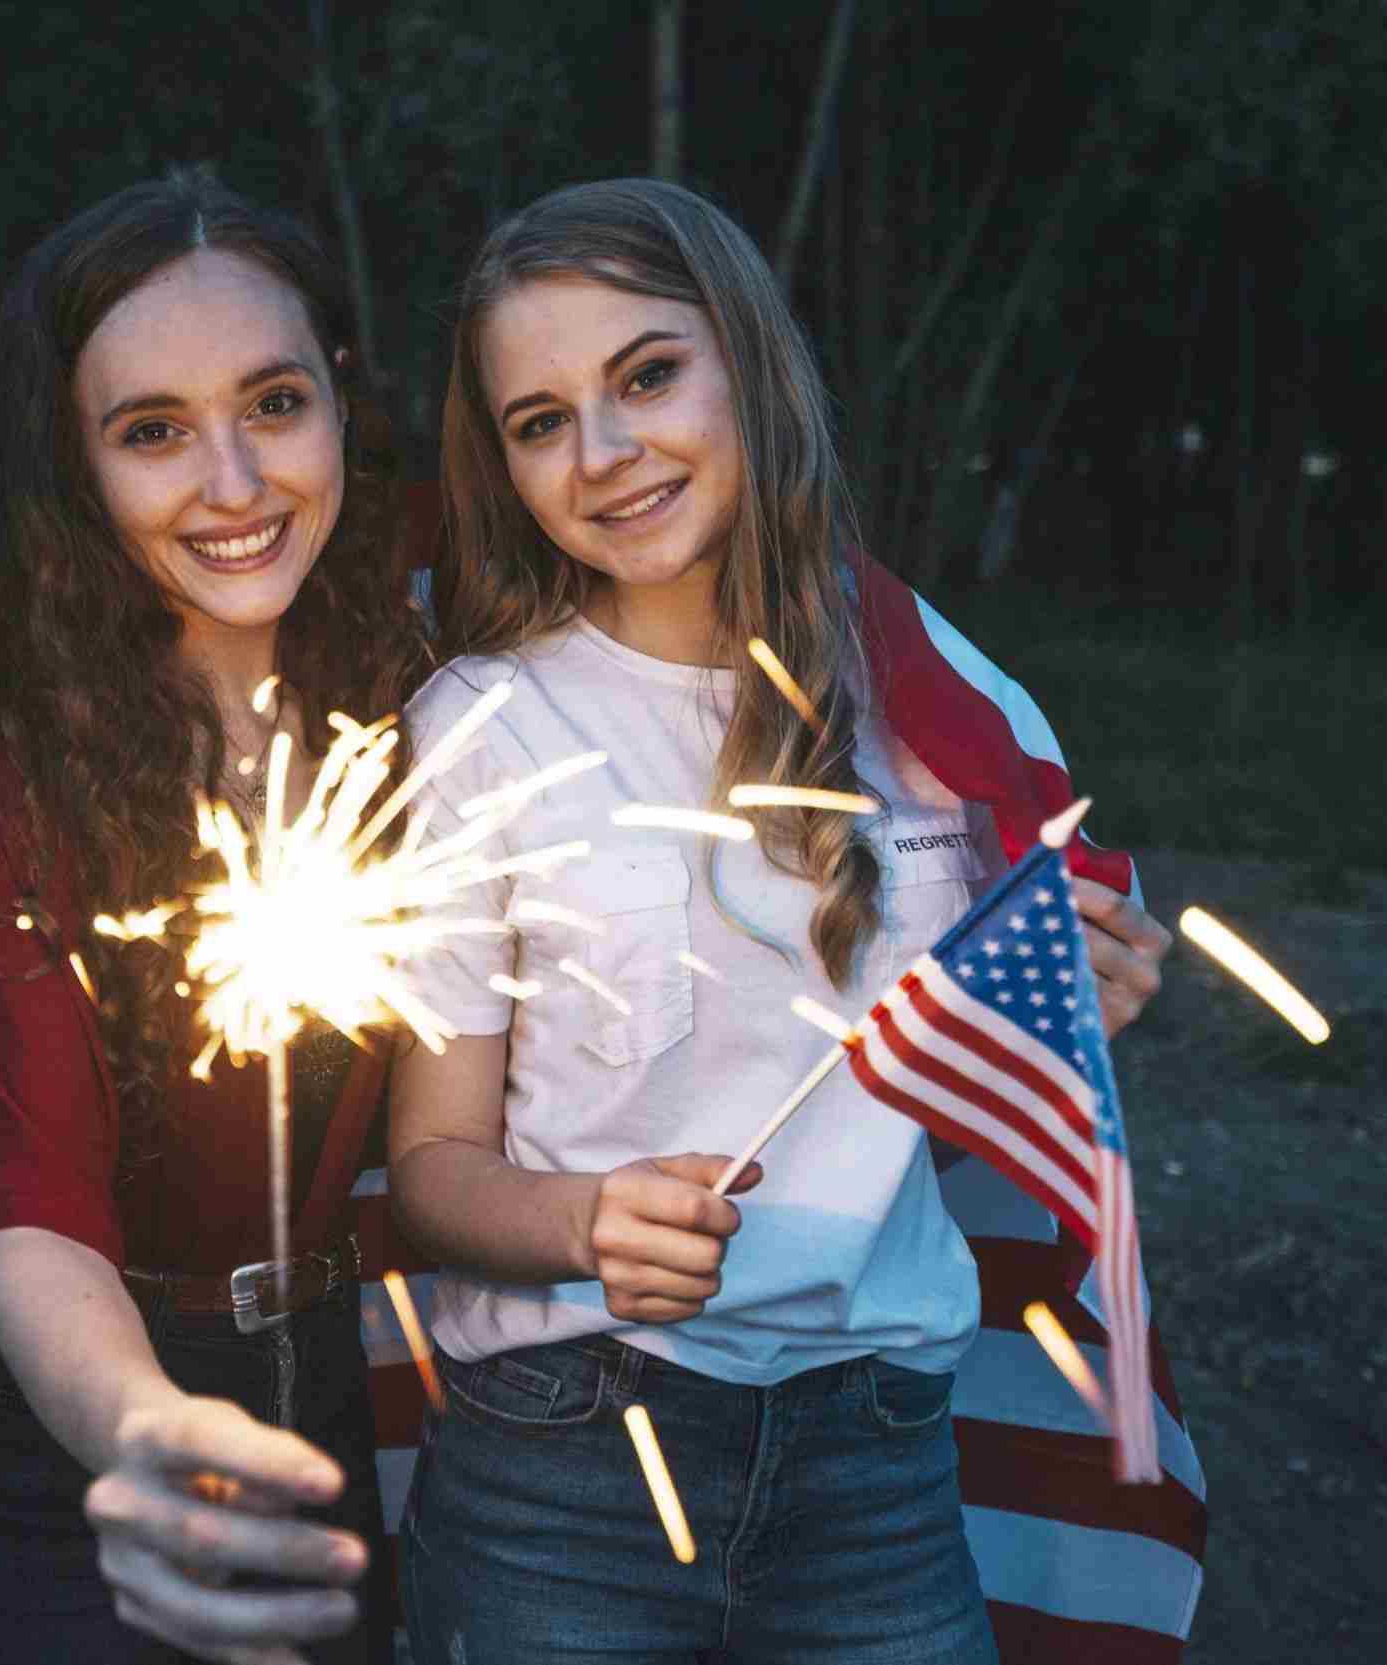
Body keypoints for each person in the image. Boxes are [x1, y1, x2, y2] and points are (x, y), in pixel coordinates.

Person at [383, 179, 1178, 1664]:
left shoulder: (945, 703)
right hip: (565, 1458)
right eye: (539, 420)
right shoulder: (483, 727)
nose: (606, 453)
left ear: (746, 361)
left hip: (875, 1460)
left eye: (646, 376)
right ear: (498, 466)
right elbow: (429, 1171)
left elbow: (933, 1115)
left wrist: (1061, 1008)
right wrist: (582, 1220)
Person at [0, 171, 431, 1665]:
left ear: (341, 404)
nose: (236, 483)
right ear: (76, 465)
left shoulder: (415, 677)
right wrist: (141, 1427)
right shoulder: (23, 758)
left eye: (274, 403)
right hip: (60, 1422)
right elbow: (31, 1208)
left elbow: (721, 521)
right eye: (154, 432)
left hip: (327, 1372)